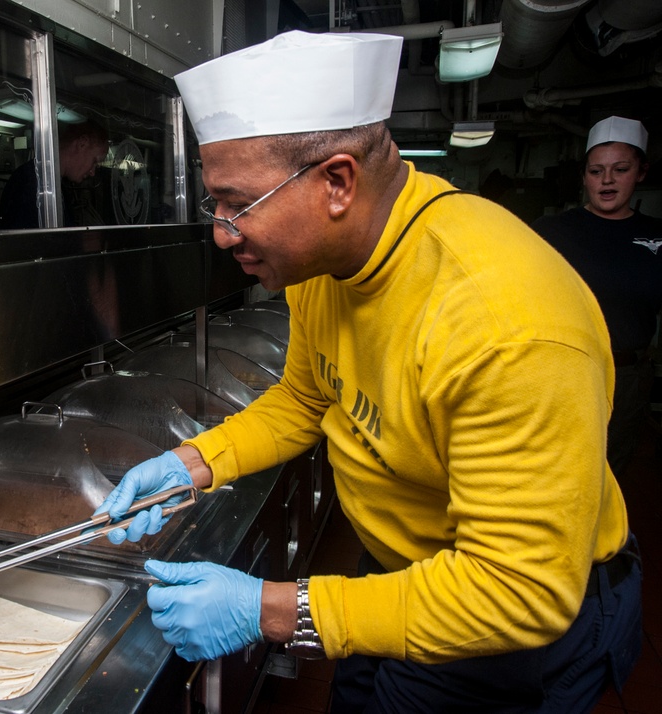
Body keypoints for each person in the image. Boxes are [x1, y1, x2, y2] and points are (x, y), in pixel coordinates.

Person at [93, 30, 642, 713]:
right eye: (217, 205)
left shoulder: (507, 323)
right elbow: (304, 398)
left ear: (337, 183)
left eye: (240, 204)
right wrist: (191, 462)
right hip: (401, 570)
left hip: (502, 623)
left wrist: (271, 610)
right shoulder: (323, 265)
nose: (223, 231)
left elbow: (520, 592)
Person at [532, 116, 662, 477]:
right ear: (584, 176)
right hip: (563, 370)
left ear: (641, 172)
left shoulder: (655, 236)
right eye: (596, 171)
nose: (607, 180)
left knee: (610, 471)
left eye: (620, 169)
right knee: (555, 465)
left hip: (628, 376)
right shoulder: (552, 231)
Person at [0, 120, 109, 229]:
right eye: (94, 161)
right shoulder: (30, 183)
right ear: (82, 143)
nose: (92, 172)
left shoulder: (55, 183)